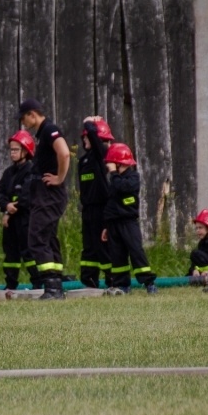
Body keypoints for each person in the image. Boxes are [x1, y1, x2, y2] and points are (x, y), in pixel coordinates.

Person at [17, 98, 71, 300]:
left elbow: (64, 154)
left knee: (37, 237)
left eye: (24, 118)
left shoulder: (49, 130)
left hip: (50, 194)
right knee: (48, 237)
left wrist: (60, 177)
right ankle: (55, 284)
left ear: (32, 114)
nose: (23, 123)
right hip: (45, 193)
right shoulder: (43, 133)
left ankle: (52, 287)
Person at [101, 143, 158, 295]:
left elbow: (122, 187)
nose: (108, 166)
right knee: (117, 255)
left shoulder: (132, 177)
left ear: (118, 162)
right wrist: (107, 226)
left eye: (110, 163)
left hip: (128, 222)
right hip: (114, 223)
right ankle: (122, 285)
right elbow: (111, 202)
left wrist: (113, 173)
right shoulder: (114, 179)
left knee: (136, 251)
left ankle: (149, 282)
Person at [0, 130, 40, 290]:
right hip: (11, 220)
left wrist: (14, 207)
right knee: (11, 254)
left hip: (25, 218)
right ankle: (10, 285)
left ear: (25, 151)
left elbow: (27, 194)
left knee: (29, 252)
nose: (12, 153)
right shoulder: (8, 172)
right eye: (11, 150)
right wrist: (6, 206)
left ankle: (38, 283)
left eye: (15, 150)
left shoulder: (31, 171)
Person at [78, 116, 115, 288]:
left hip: (102, 208)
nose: (85, 138)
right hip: (88, 210)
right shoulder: (83, 161)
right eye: (83, 136)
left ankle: (112, 280)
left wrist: (89, 123)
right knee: (89, 247)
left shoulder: (102, 156)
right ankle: (89, 280)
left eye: (87, 136)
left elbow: (94, 137)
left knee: (103, 246)